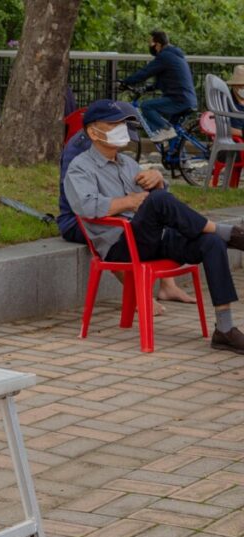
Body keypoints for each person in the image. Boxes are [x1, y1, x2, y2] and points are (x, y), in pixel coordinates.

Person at [64, 99, 244, 353]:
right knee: (158, 201)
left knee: (210, 242)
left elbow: (158, 205)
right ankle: (231, 233)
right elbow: (85, 206)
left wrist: (159, 181)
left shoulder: (127, 163)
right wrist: (131, 201)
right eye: (113, 124)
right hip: (119, 245)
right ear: (94, 132)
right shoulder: (80, 168)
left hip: (150, 238)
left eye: (123, 124)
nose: (121, 129)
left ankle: (224, 329)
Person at [58, 101, 194, 305]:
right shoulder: (79, 153)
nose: (123, 134)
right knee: (122, 230)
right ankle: (138, 296)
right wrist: (127, 202)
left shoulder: (117, 152)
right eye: (117, 125)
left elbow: (137, 188)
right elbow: (82, 200)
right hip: (80, 218)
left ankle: (168, 286)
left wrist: (155, 178)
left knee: (156, 211)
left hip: (120, 208)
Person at [121, 30, 197, 143]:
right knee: (173, 132)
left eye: (150, 43)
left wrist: (125, 82)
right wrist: (147, 88)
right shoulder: (174, 55)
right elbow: (164, 82)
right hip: (187, 99)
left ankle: (165, 130)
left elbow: (145, 72)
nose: (149, 46)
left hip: (179, 99)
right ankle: (178, 159)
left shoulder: (165, 56)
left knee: (146, 106)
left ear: (158, 45)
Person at [225, 65, 244, 137]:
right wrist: (241, 133)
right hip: (236, 141)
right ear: (234, 85)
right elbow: (220, 128)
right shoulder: (225, 102)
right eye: (241, 85)